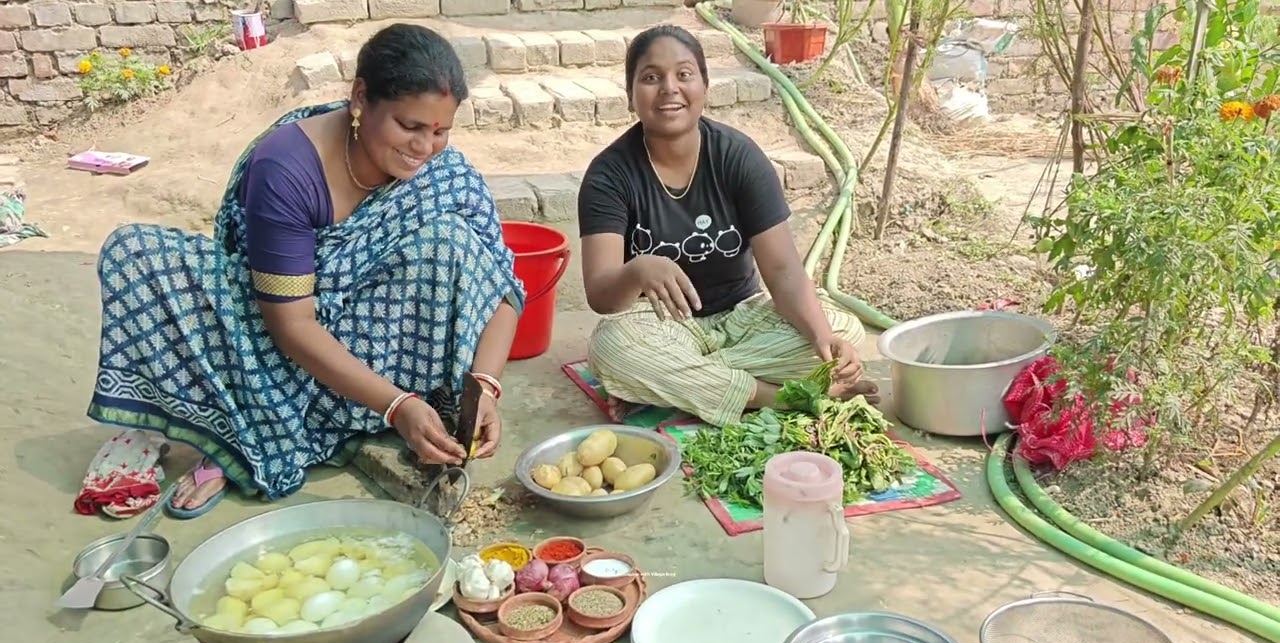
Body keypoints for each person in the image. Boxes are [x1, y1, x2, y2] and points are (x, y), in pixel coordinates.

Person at [83, 24, 525, 519]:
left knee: (453, 243)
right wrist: (397, 407)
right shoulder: (288, 167)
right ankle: (259, 422)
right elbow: (292, 325)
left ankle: (361, 409)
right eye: (409, 126)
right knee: (136, 255)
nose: (425, 147)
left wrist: (483, 387)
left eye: (440, 131)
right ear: (360, 97)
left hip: (374, 339)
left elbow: (502, 285)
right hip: (275, 337)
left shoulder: (444, 175)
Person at [578, 25, 879, 428]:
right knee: (613, 348)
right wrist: (638, 270)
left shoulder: (738, 156)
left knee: (844, 329)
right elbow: (602, 296)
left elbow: (784, 271)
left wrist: (824, 337)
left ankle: (672, 386)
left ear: (704, 84)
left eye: (684, 74)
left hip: (744, 318)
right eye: (651, 77)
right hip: (661, 325)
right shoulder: (609, 175)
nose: (669, 88)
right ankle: (783, 398)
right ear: (631, 93)